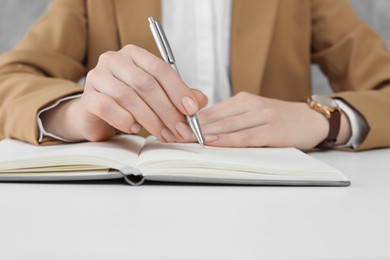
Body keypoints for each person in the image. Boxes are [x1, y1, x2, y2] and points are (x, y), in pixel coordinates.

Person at [0, 0, 389, 151]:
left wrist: (323, 118)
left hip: (274, 209)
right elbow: (10, 80)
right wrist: (78, 114)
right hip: (127, 209)